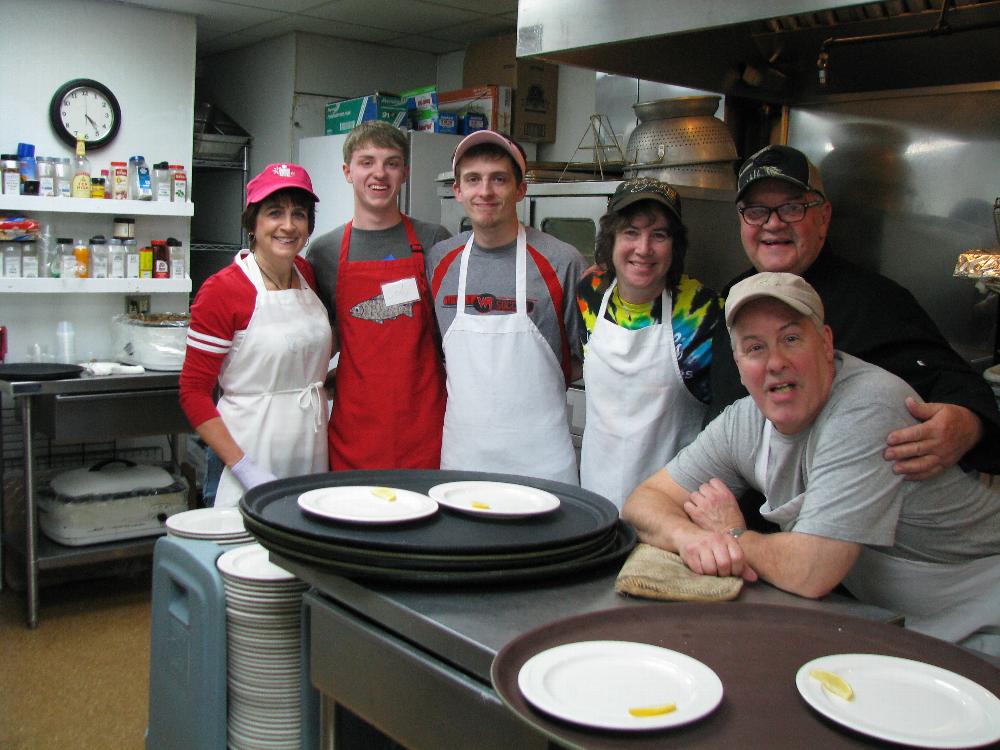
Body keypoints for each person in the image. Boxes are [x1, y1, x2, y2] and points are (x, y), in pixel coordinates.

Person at [623, 272, 1000, 651]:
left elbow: (812, 570)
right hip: (908, 627)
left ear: (825, 342)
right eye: (755, 348)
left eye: (791, 339)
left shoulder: (867, 406)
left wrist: (732, 537)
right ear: (738, 364)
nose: (775, 362)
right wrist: (690, 538)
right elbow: (644, 502)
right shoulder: (745, 421)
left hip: (984, 623)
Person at [706, 144, 1000, 527]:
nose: (773, 223)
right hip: (736, 528)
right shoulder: (731, 299)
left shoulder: (876, 302)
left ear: (823, 216)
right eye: (756, 211)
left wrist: (967, 423)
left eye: (792, 207)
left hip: (837, 537)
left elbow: (957, 386)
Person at [426, 130, 587, 484]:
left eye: (498, 179)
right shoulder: (440, 261)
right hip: (462, 461)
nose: (485, 191)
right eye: (473, 179)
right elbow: (439, 353)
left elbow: (584, 360)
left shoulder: (562, 261)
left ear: (520, 189)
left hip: (544, 465)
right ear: (457, 190)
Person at [179, 163, 332, 507]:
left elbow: (298, 358)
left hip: (309, 448)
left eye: (298, 214)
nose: (288, 225)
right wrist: (244, 467)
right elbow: (193, 393)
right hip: (244, 453)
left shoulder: (306, 274)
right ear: (253, 222)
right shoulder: (223, 290)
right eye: (274, 213)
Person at [308, 121, 450, 470]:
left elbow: (453, 337)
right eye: (367, 162)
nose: (380, 173)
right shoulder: (324, 252)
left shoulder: (434, 242)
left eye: (392, 163)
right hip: (354, 432)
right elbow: (319, 341)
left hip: (426, 429)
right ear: (347, 171)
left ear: (405, 173)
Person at [576, 177, 723, 510]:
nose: (643, 249)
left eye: (659, 235)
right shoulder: (589, 294)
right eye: (631, 232)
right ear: (611, 239)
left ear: (675, 245)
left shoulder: (705, 312)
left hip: (672, 507)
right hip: (597, 499)